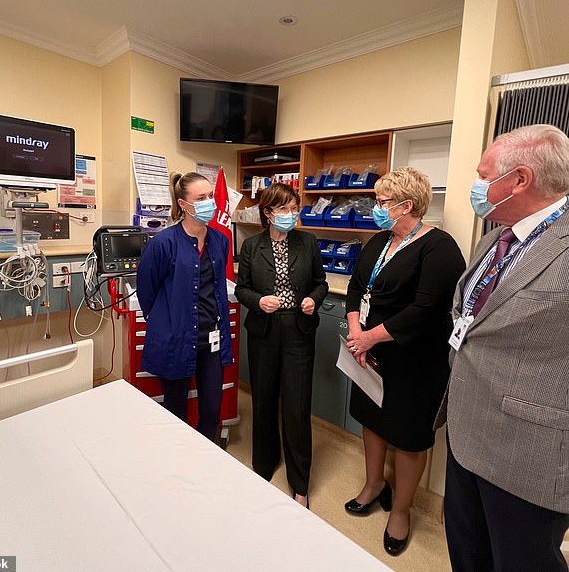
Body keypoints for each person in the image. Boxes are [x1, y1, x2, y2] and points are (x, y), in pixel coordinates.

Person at [437, 124, 569, 572]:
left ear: (519, 179)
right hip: (466, 431)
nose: (476, 185)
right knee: (467, 554)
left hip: (528, 451)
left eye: (483, 173)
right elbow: (472, 319)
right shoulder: (495, 238)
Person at [344, 166, 465, 556]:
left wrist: (369, 337)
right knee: (371, 418)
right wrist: (354, 331)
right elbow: (356, 287)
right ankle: (374, 484)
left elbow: (426, 310)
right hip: (369, 353)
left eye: (381, 202)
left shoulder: (439, 248)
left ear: (406, 206)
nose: (375, 209)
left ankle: (401, 510)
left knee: (410, 435)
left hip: (414, 361)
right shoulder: (379, 241)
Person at [235, 182, 328, 507]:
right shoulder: (252, 246)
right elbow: (241, 289)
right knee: (263, 399)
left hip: (298, 331)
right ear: (268, 213)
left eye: (295, 208)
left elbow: (321, 283)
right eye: (285, 209)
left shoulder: (308, 242)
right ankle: (263, 465)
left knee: (297, 405)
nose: (292, 215)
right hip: (264, 330)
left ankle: (299, 483)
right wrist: (259, 302)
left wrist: (312, 301)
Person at [136, 171, 233, 441]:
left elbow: (216, 288)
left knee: (212, 409)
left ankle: (205, 459)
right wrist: (167, 322)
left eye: (211, 196)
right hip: (177, 338)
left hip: (211, 340)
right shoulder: (163, 244)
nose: (209, 203)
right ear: (183, 204)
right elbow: (147, 291)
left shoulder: (220, 241)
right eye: (201, 198)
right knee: (175, 408)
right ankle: (177, 462)